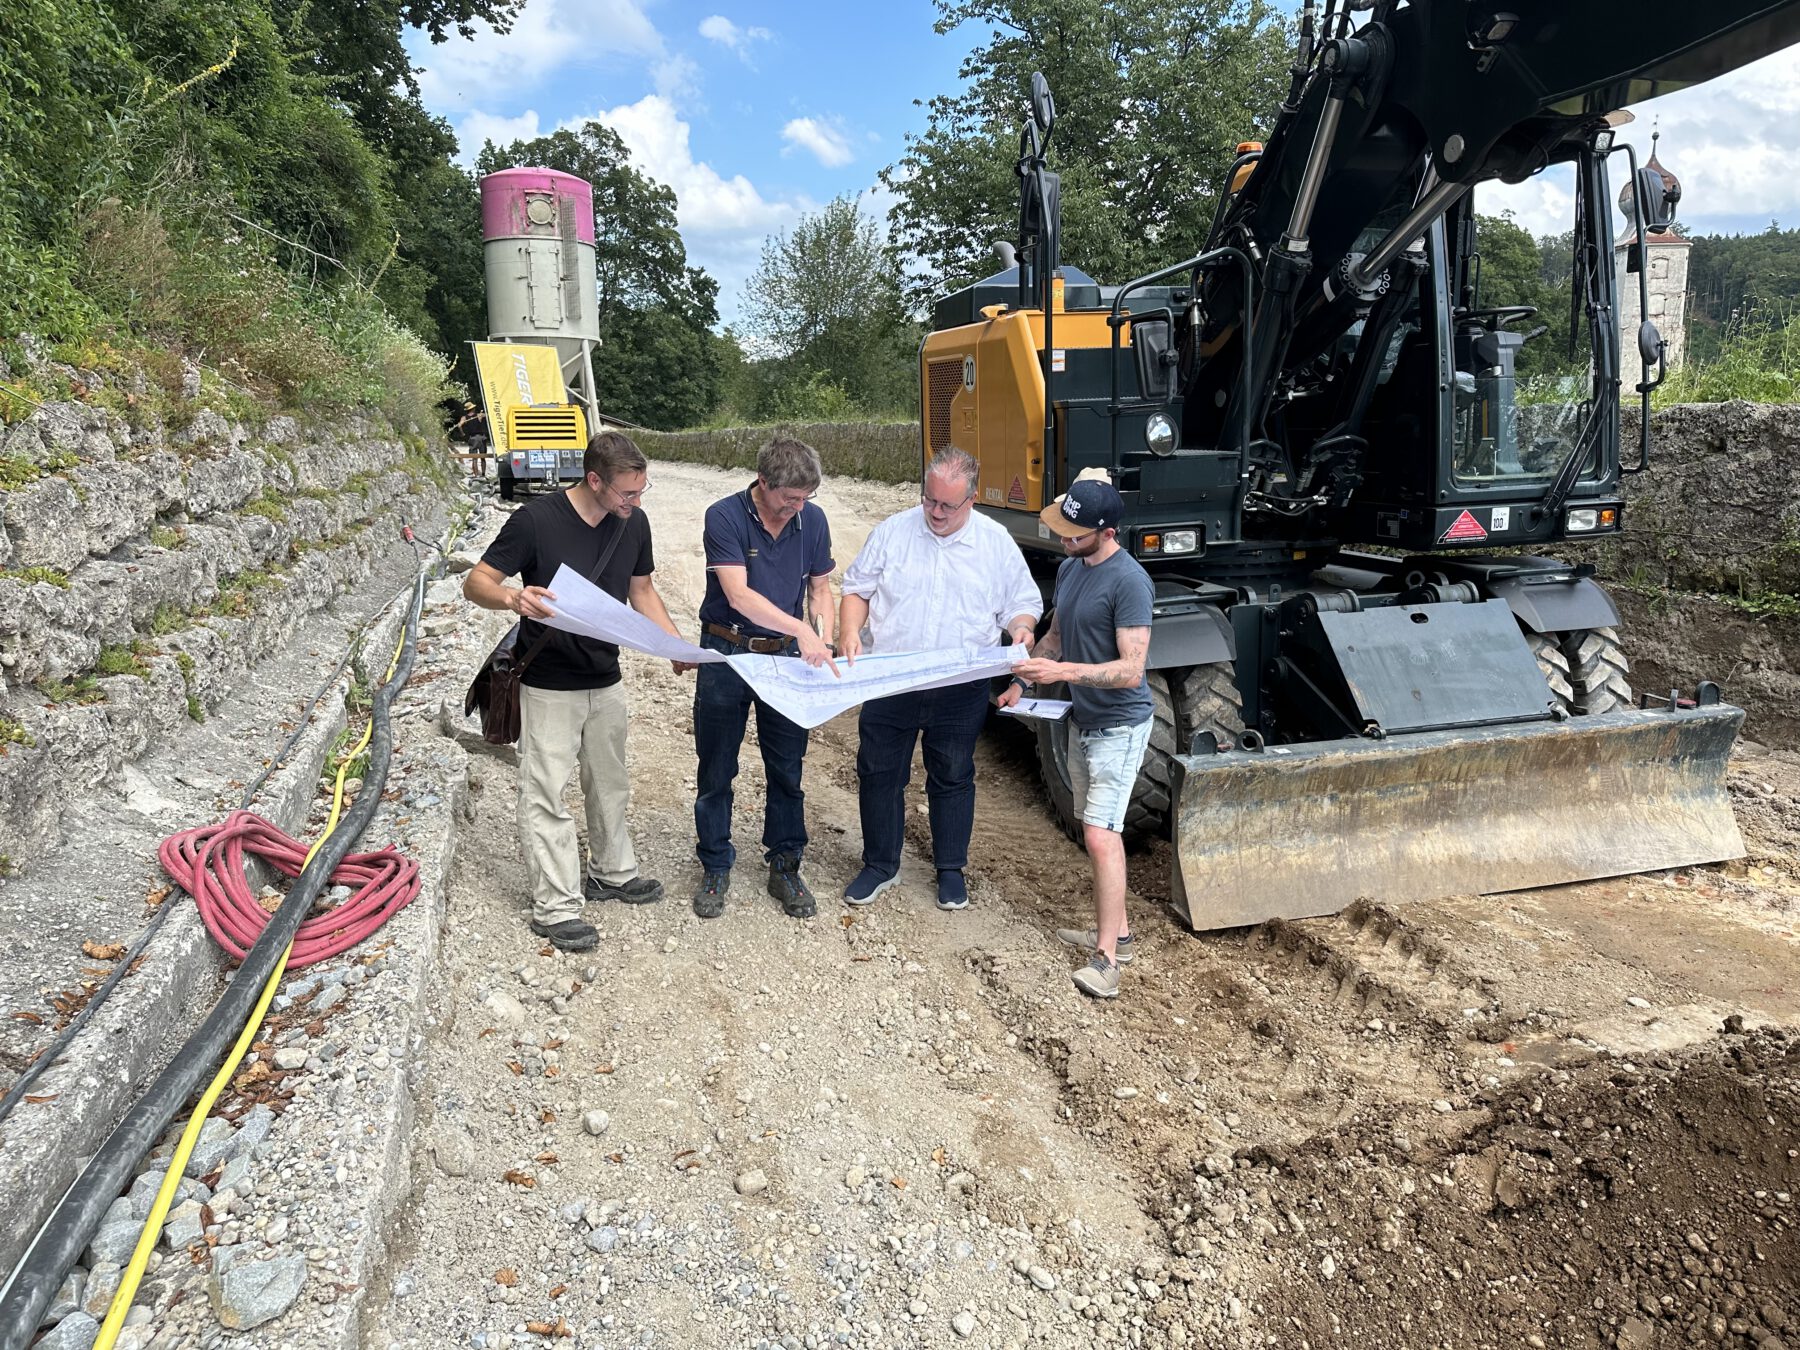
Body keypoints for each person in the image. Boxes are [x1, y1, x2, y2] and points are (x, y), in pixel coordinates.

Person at [463, 431, 686, 953]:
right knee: (545, 793)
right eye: (627, 494)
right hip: (547, 684)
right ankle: (556, 906)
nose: (635, 503)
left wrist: (675, 644)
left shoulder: (635, 522)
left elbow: (642, 590)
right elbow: (477, 582)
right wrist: (514, 597)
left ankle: (612, 873)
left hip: (605, 680)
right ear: (593, 480)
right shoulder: (536, 521)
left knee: (610, 782)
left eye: (641, 491)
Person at [837, 446, 1040, 912]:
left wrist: (1022, 628)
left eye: (948, 505)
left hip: (960, 685)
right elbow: (857, 588)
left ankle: (950, 870)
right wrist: (849, 631)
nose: (935, 512)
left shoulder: (995, 542)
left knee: (952, 774)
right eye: (929, 500)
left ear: (971, 500)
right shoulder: (893, 531)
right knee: (879, 771)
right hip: (893, 679)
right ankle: (880, 865)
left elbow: (1022, 602)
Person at [1004, 477, 1153, 999]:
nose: (1063, 541)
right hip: (1080, 719)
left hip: (1120, 724)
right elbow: (1056, 635)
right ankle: (1122, 934)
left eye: (1074, 534)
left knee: (1099, 834)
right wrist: (1022, 680)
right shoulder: (1070, 569)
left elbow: (1132, 671)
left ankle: (1108, 961)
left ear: (1106, 532)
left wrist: (1062, 670)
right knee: (1096, 829)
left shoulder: (1130, 582)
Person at [691, 436, 838, 921]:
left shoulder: (811, 520)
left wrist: (824, 637)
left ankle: (786, 863)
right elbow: (737, 594)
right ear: (762, 484)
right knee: (717, 767)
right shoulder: (724, 516)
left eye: (804, 499)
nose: (796, 509)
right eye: (788, 499)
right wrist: (800, 628)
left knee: (787, 767)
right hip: (726, 652)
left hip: (785, 660)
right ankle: (715, 864)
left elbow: (820, 587)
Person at [454, 401, 490, 478]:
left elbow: (459, 425)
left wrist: (462, 433)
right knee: (483, 457)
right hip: (481, 437)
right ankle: (483, 474)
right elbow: (487, 415)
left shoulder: (464, 418)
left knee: (474, 458)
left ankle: (476, 475)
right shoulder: (478, 415)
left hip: (472, 438)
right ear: (473, 408)